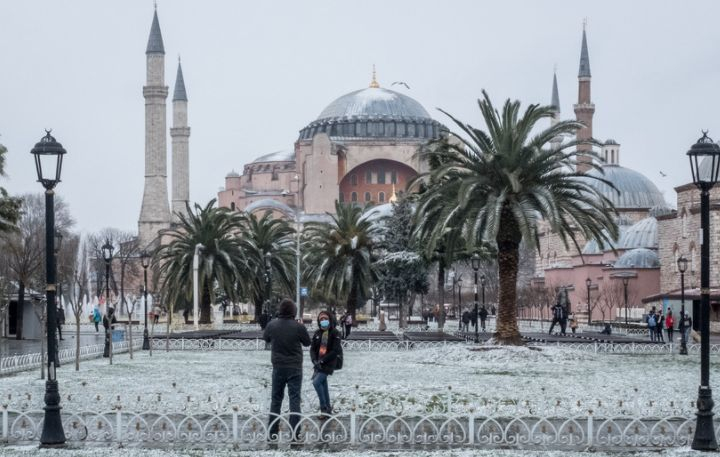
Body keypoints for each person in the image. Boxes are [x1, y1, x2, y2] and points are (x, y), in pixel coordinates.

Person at [262, 299, 311, 441]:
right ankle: (295, 432)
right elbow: (307, 342)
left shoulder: (272, 325)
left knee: (276, 399)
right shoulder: (298, 326)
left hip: (278, 366)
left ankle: (272, 431)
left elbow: (266, 338)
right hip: (295, 367)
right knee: (294, 399)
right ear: (293, 312)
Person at [310, 310, 342, 419]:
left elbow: (335, 350)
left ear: (330, 320)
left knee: (316, 382)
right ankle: (328, 408)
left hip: (328, 363)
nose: (323, 321)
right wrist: (315, 361)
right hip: (318, 363)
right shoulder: (317, 333)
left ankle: (324, 408)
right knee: (323, 385)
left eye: (325, 319)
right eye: (321, 319)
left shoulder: (335, 333)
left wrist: (323, 360)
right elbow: (312, 349)